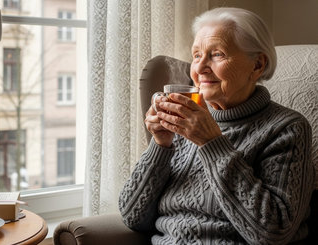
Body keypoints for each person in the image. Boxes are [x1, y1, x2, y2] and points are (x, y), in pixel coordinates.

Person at [118, 7, 315, 245]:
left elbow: (273, 233)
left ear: (257, 66)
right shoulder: (185, 120)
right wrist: (160, 145)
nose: (199, 69)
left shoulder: (287, 129)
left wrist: (211, 143)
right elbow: (132, 216)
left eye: (217, 54)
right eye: (197, 55)